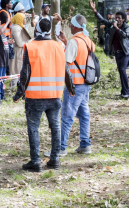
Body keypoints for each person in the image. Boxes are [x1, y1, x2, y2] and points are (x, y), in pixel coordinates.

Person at [13, 19, 66, 171]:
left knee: (33, 128)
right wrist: (71, 88)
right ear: (50, 31)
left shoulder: (30, 46)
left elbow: (24, 74)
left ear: (35, 29)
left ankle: (36, 161)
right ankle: (54, 159)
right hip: (55, 94)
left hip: (34, 97)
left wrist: (18, 94)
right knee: (55, 126)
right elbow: (65, 68)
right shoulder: (58, 46)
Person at [48, 14, 94, 156]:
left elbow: (66, 62)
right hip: (86, 83)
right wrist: (66, 42)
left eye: (71, 25)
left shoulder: (75, 42)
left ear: (74, 26)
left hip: (74, 85)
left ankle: (61, 148)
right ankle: (85, 144)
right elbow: (80, 56)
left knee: (67, 116)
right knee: (84, 114)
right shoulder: (88, 40)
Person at [90, 0, 129, 98]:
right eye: (116, 18)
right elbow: (103, 20)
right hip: (117, 52)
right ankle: (123, 92)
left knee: (122, 70)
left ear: (123, 19)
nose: (117, 19)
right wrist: (94, 10)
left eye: (119, 18)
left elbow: (125, 35)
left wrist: (117, 28)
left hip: (125, 53)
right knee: (120, 71)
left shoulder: (126, 27)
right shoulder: (113, 24)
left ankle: (127, 92)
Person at [9, 12, 31, 88]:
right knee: (17, 72)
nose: (25, 20)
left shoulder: (20, 27)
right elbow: (20, 43)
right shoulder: (16, 28)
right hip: (18, 52)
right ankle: (13, 89)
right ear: (20, 19)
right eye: (24, 18)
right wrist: (30, 41)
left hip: (22, 51)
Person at [0, 0, 13, 74]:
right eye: (10, 3)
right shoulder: (3, 13)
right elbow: (10, 24)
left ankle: (8, 71)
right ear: (6, 5)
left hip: (8, 36)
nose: (11, 4)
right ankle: (7, 72)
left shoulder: (9, 12)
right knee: (5, 55)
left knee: (8, 55)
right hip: (3, 36)